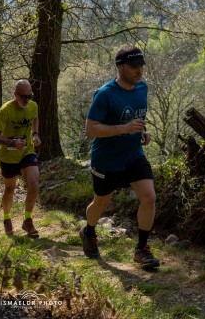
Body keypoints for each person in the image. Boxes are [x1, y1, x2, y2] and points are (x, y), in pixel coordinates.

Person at [80, 45, 160, 270]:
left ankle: (141, 249)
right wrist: (124, 128)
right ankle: (89, 231)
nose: (139, 71)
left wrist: (141, 132)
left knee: (149, 197)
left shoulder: (142, 88)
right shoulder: (105, 94)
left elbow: (136, 119)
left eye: (141, 66)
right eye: (134, 67)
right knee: (101, 202)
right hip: (107, 160)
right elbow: (90, 129)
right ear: (121, 67)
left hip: (133, 156)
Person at [0, 79, 42, 238]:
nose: (27, 100)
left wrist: (35, 134)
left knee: (34, 183)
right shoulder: (5, 110)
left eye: (30, 96)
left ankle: (28, 220)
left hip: (27, 151)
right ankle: (6, 218)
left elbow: (35, 118)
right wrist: (12, 142)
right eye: (23, 97)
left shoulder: (32, 105)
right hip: (8, 155)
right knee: (10, 189)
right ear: (15, 94)